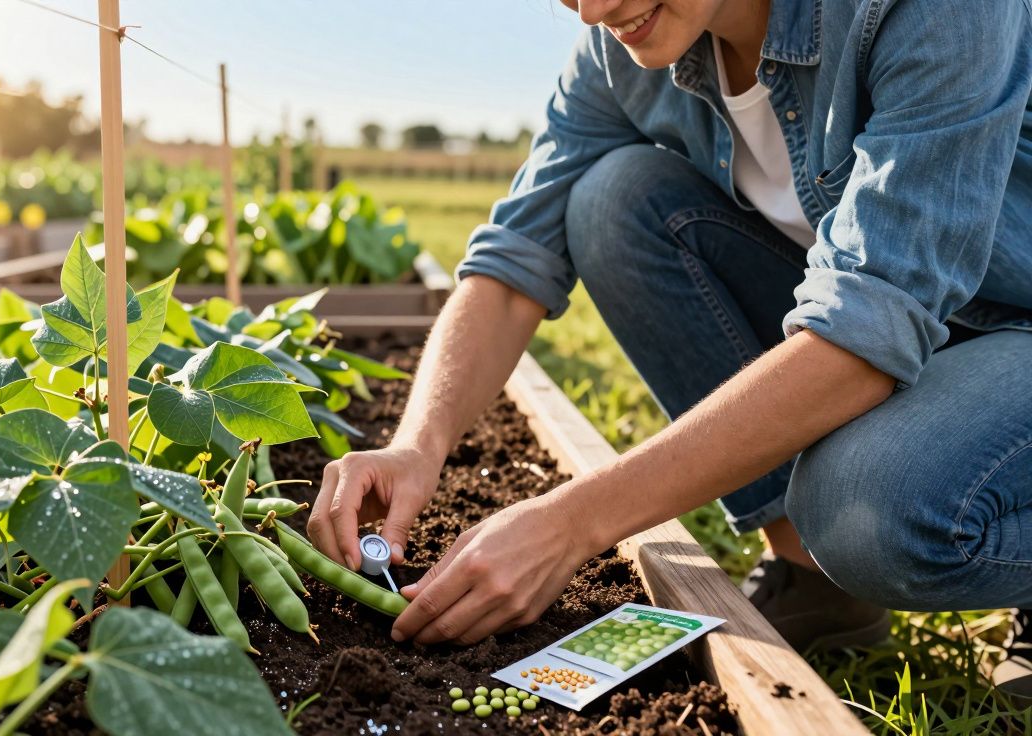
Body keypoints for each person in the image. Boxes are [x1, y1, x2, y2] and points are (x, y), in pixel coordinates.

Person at [306, 0, 1032, 699]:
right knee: (612, 200)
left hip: (1012, 324)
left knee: (869, 503)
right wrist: (417, 445)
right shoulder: (618, 52)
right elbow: (516, 253)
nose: (594, 10)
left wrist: (572, 523)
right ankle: (813, 581)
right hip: (900, 322)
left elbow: (873, 319)